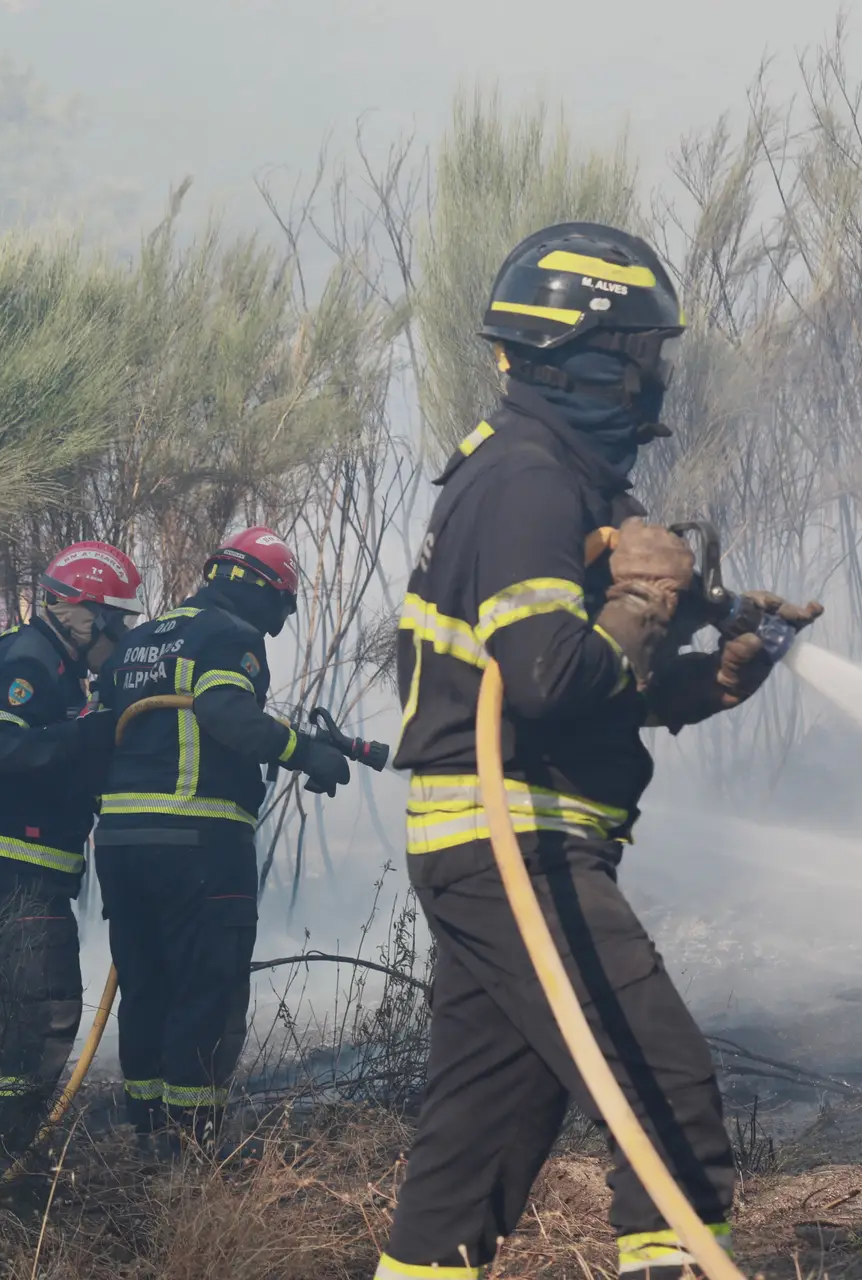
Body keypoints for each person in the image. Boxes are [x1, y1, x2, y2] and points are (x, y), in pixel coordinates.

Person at [378, 224, 822, 1280]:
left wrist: (709, 678)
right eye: (642, 356)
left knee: (473, 1151)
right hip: (513, 845)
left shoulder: (556, 478)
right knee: (664, 1093)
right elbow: (543, 673)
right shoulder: (529, 480)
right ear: (589, 352)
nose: (652, 380)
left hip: (503, 840)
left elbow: (581, 691)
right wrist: (638, 601)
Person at [92, 527, 354, 1146]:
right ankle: (190, 1146)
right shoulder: (230, 636)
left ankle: (149, 1136)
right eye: (281, 608)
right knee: (206, 989)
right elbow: (225, 713)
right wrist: (304, 754)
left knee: (146, 986)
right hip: (199, 844)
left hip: (123, 847)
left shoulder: (138, 643)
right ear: (263, 591)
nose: (275, 627)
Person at [0, 540, 144, 1163]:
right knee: (46, 1010)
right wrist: (87, 733)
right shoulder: (28, 662)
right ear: (78, 610)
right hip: (12, 867)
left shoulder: (55, 666)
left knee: (22, 1005)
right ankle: (6, 1151)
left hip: (21, 867)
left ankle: (0, 1144)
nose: (117, 633)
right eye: (112, 619)